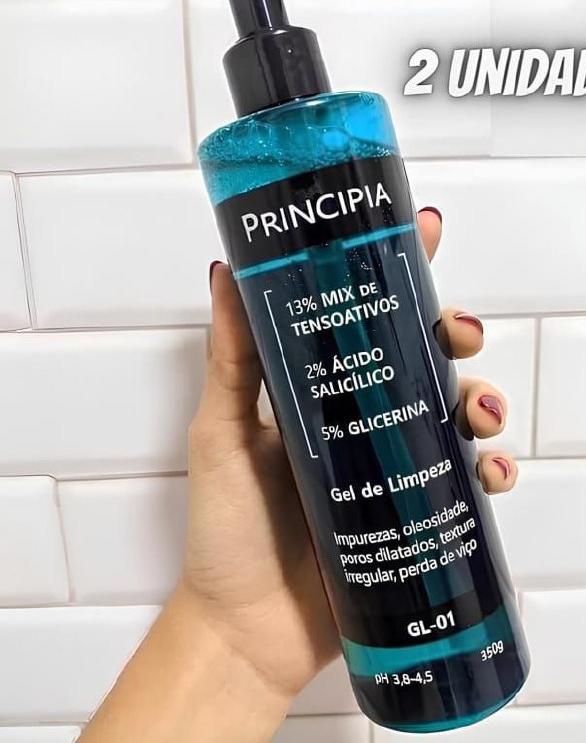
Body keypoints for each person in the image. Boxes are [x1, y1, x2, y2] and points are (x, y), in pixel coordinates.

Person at [79, 208, 518, 742]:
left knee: (419, 384)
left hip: (463, 591)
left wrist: (229, 642)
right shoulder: (248, 169)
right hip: (340, 568)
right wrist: (228, 633)